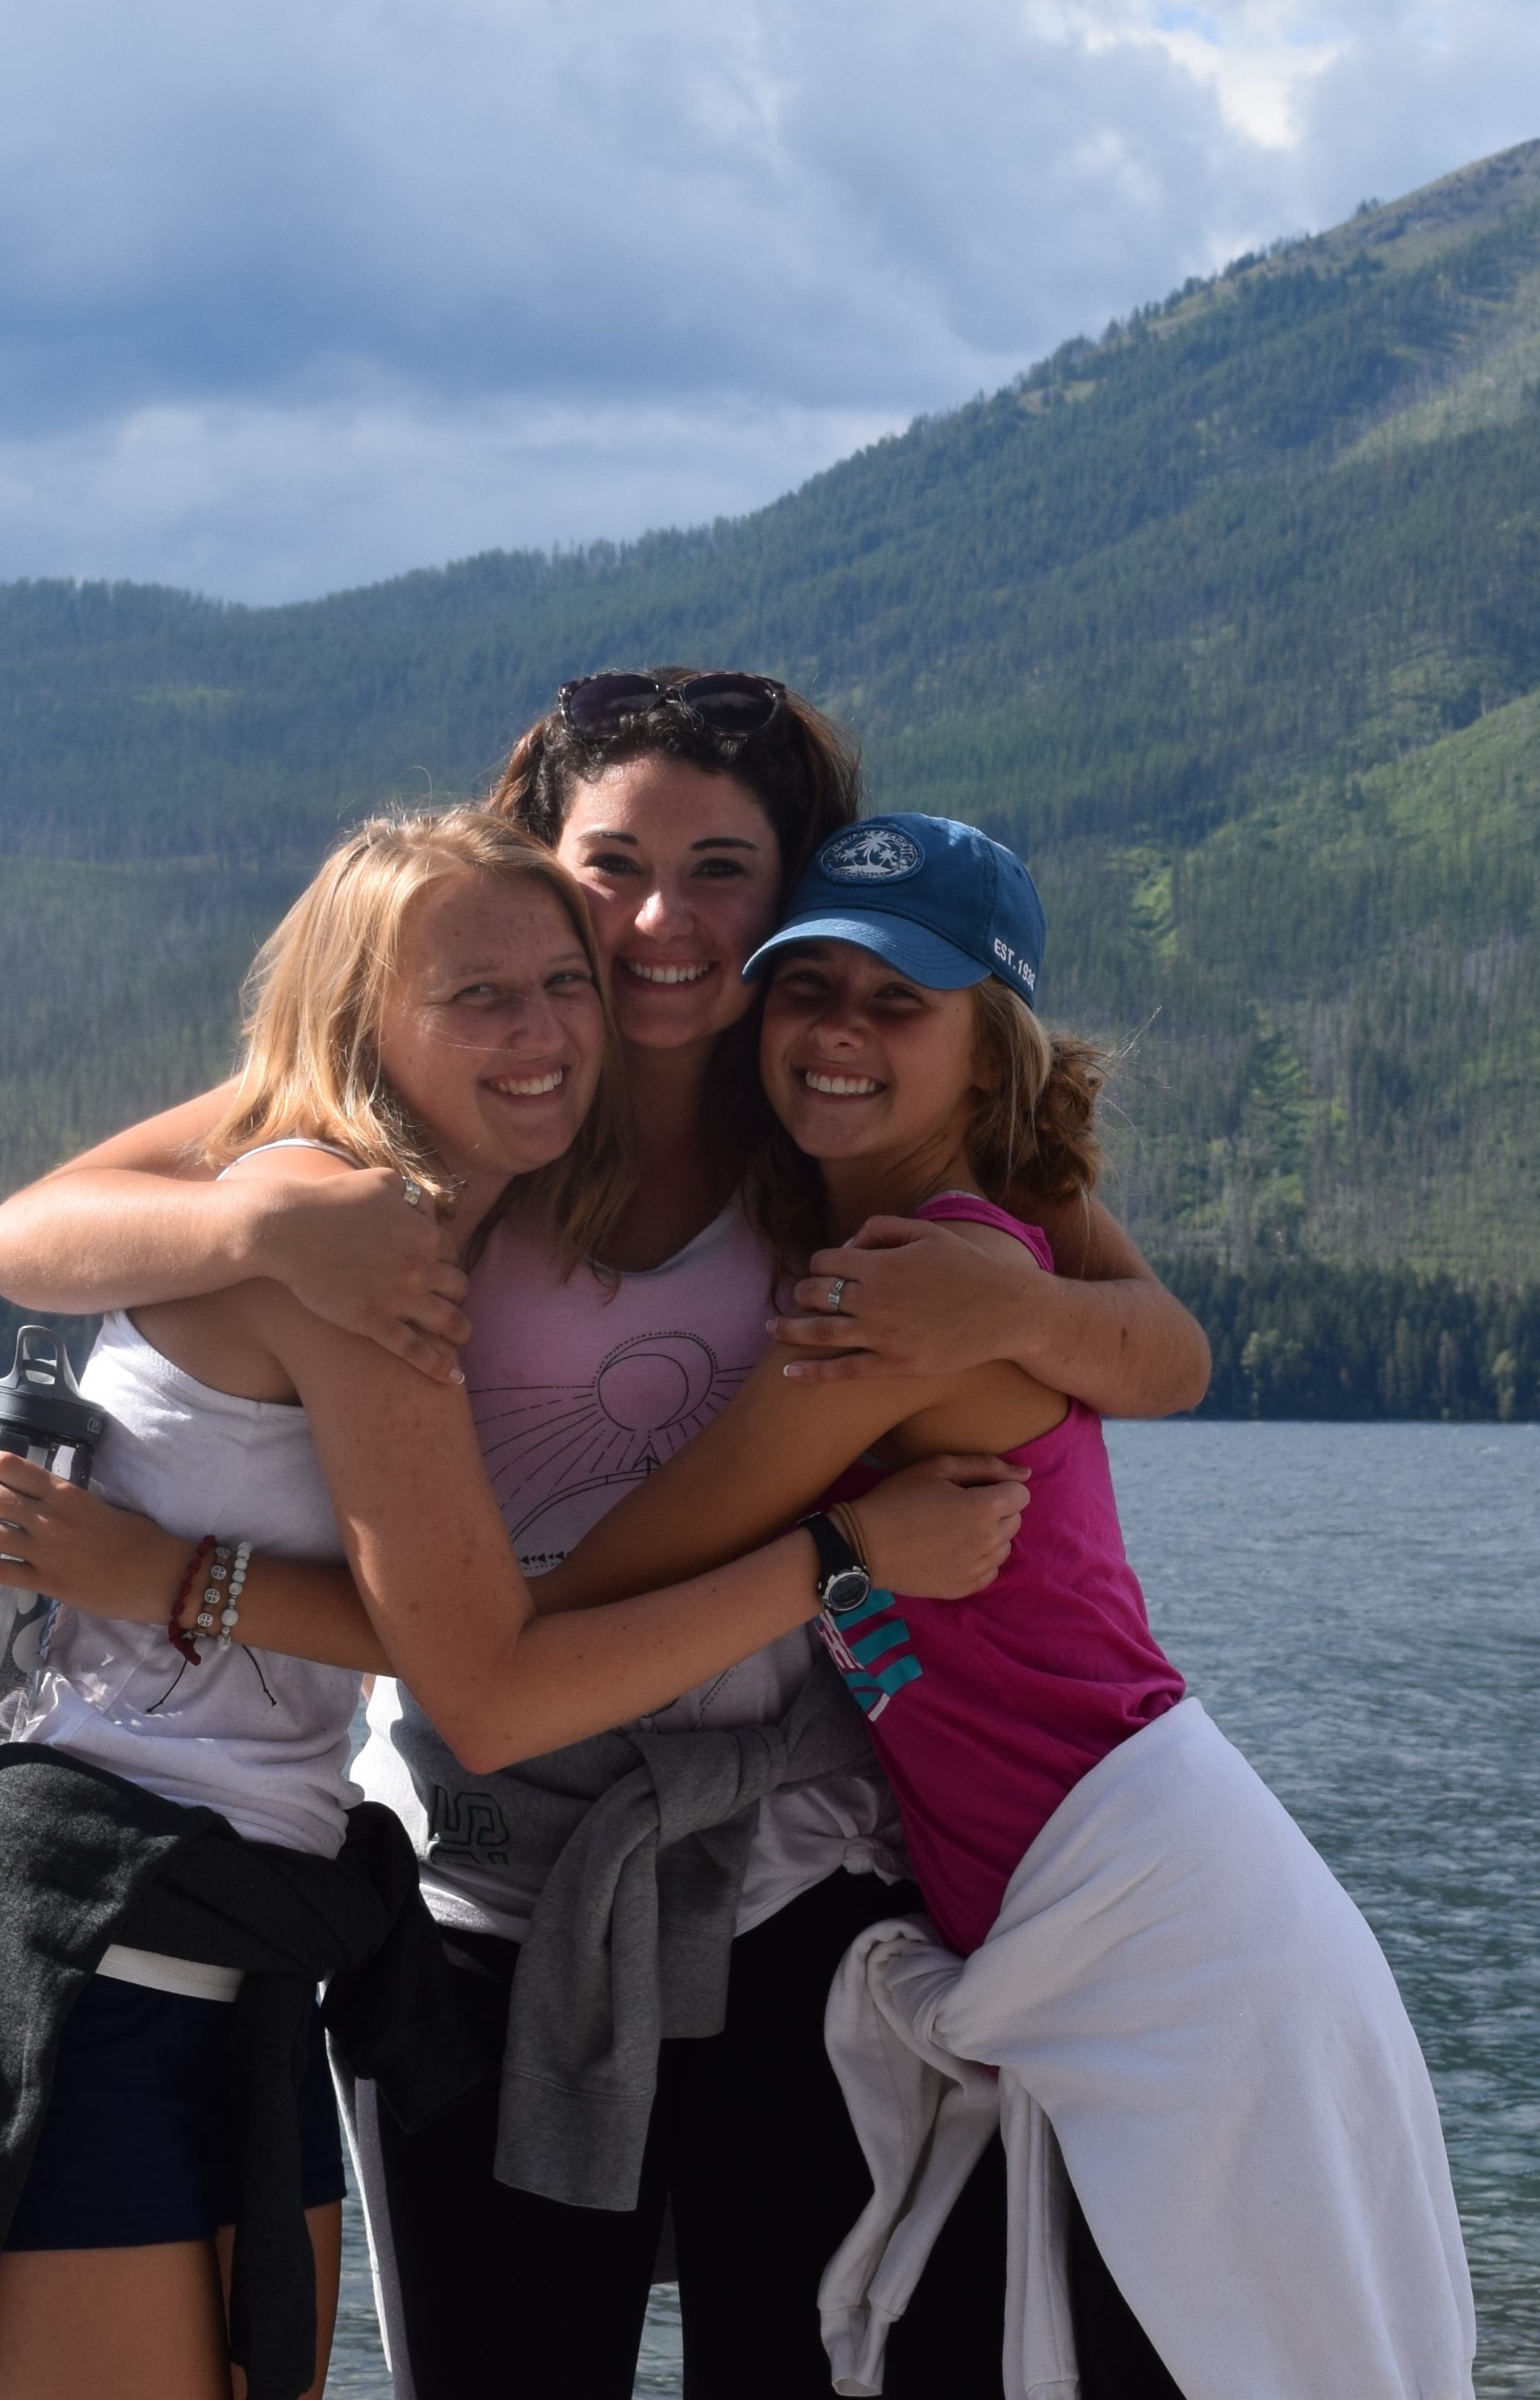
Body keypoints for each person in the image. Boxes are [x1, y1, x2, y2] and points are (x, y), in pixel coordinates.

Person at [0, 667, 1215, 2399]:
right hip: (485, 1890)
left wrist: (1019, 1309)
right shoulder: (471, 1086)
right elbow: (27, 1233)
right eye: (612, 861)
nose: (658, 919)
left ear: (795, 890)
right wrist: (255, 1216)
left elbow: (1158, 1346)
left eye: (723, 867)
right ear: (539, 860)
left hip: (802, 1881)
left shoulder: (842, 1114)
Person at [533, 813, 1478, 2400]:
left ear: (989, 1054)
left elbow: (609, 1582)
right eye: (805, 985)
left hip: (1159, 1913)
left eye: (896, 1001)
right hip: (1133, 1878)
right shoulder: (957, 1225)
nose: (837, 1030)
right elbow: (1169, 1348)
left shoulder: (899, 1290)